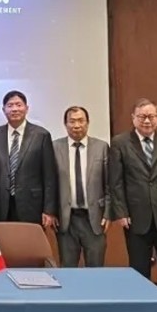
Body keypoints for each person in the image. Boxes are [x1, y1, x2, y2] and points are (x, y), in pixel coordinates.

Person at [109, 99, 157, 309]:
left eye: (151, 116)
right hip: (136, 215)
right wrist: (121, 212)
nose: (147, 121)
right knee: (138, 267)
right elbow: (116, 181)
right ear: (133, 118)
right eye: (142, 116)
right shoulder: (120, 143)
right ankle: (140, 308)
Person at [51, 106, 112, 267]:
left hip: (94, 218)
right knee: (68, 268)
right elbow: (50, 184)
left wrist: (108, 213)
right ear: (65, 124)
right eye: (72, 121)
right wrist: (51, 211)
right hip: (66, 219)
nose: (76, 125)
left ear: (88, 123)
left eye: (80, 121)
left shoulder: (101, 147)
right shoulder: (55, 147)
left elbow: (109, 183)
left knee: (95, 268)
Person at [0, 91, 58, 226]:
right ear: (3, 110)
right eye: (10, 105)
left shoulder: (41, 135)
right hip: (1, 205)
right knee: (4, 239)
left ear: (27, 108)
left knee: (29, 240)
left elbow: (49, 175)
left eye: (18, 105)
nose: (14, 109)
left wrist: (49, 210)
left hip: (32, 205)